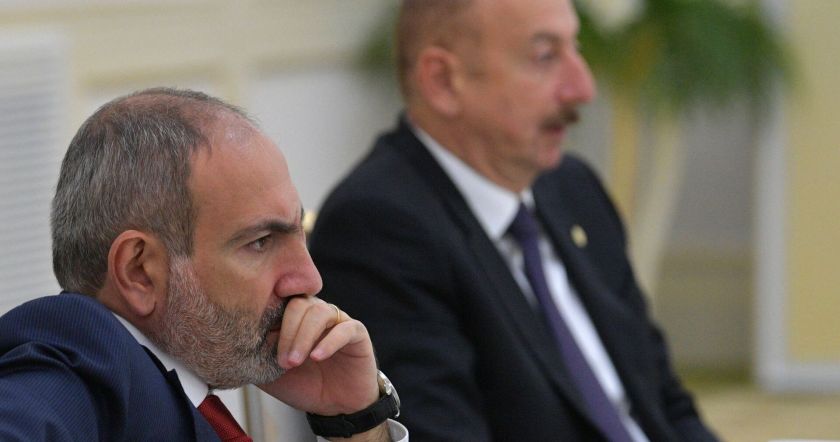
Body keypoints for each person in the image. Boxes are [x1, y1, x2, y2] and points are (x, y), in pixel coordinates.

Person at [308, 0, 719, 440]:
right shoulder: (379, 228)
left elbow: (664, 401)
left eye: (576, 48)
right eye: (545, 56)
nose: (583, 88)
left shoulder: (572, 187)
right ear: (443, 81)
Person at [0, 88, 405, 441]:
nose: (310, 279)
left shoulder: (174, 385)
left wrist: (354, 422)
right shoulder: (75, 371)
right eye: (260, 242)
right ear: (140, 271)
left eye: (298, 232)